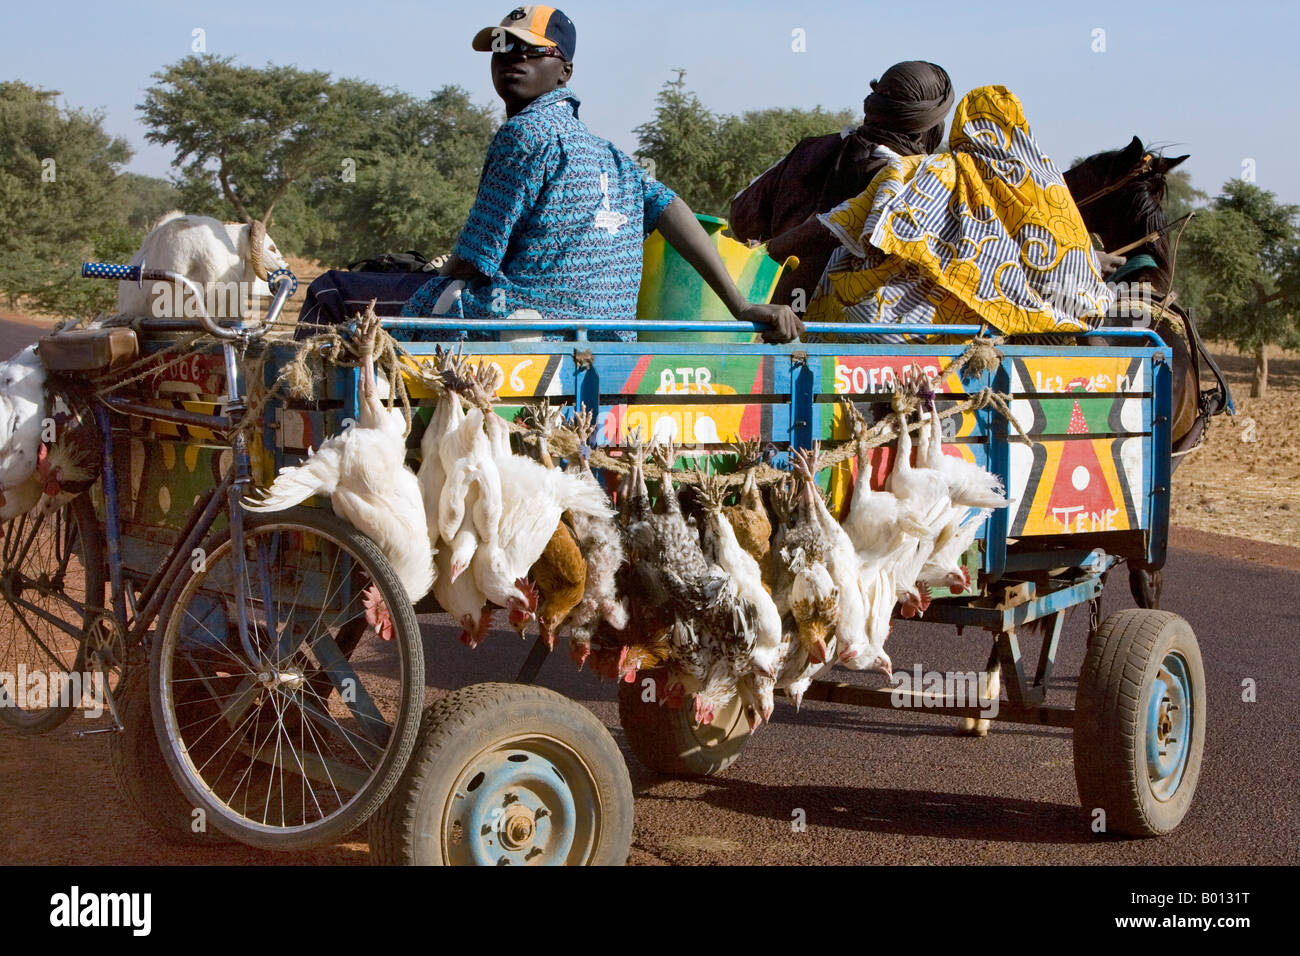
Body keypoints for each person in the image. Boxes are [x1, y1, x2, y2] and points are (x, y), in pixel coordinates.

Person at [299, 6, 801, 344]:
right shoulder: (615, 158)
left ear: (565, 70)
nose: (511, 60)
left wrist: (429, 288)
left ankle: (325, 442)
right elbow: (671, 206)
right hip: (603, 337)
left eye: (529, 51)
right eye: (502, 50)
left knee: (331, 291)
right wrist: (738, 304)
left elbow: (472, 265)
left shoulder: (524, 135)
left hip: (523, 323)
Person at [800, 85, 1115, 339]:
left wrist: (771, 250)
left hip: (915, 333)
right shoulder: (1050, 186)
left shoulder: (928, 171)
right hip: (1043, 327)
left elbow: (843, 222)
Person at [729, 61, 953, 308]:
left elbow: (741, 217)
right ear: (927, 124)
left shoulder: (810, 150)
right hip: (856, 335)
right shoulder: (919, 184)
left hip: (776, 319)